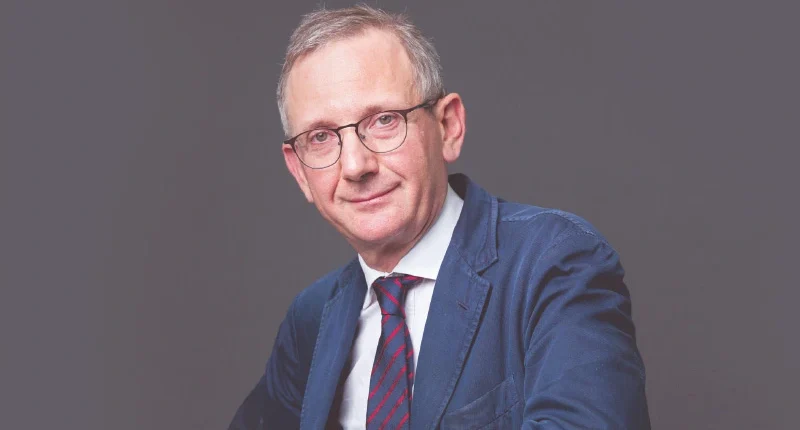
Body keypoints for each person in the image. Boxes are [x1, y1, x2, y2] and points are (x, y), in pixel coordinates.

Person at [229, 5, 650, 429]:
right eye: (321, 137)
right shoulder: (312, 318)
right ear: (300, 172)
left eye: (383, 120)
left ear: (448, 127)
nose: (355, 166)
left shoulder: (554, 263)